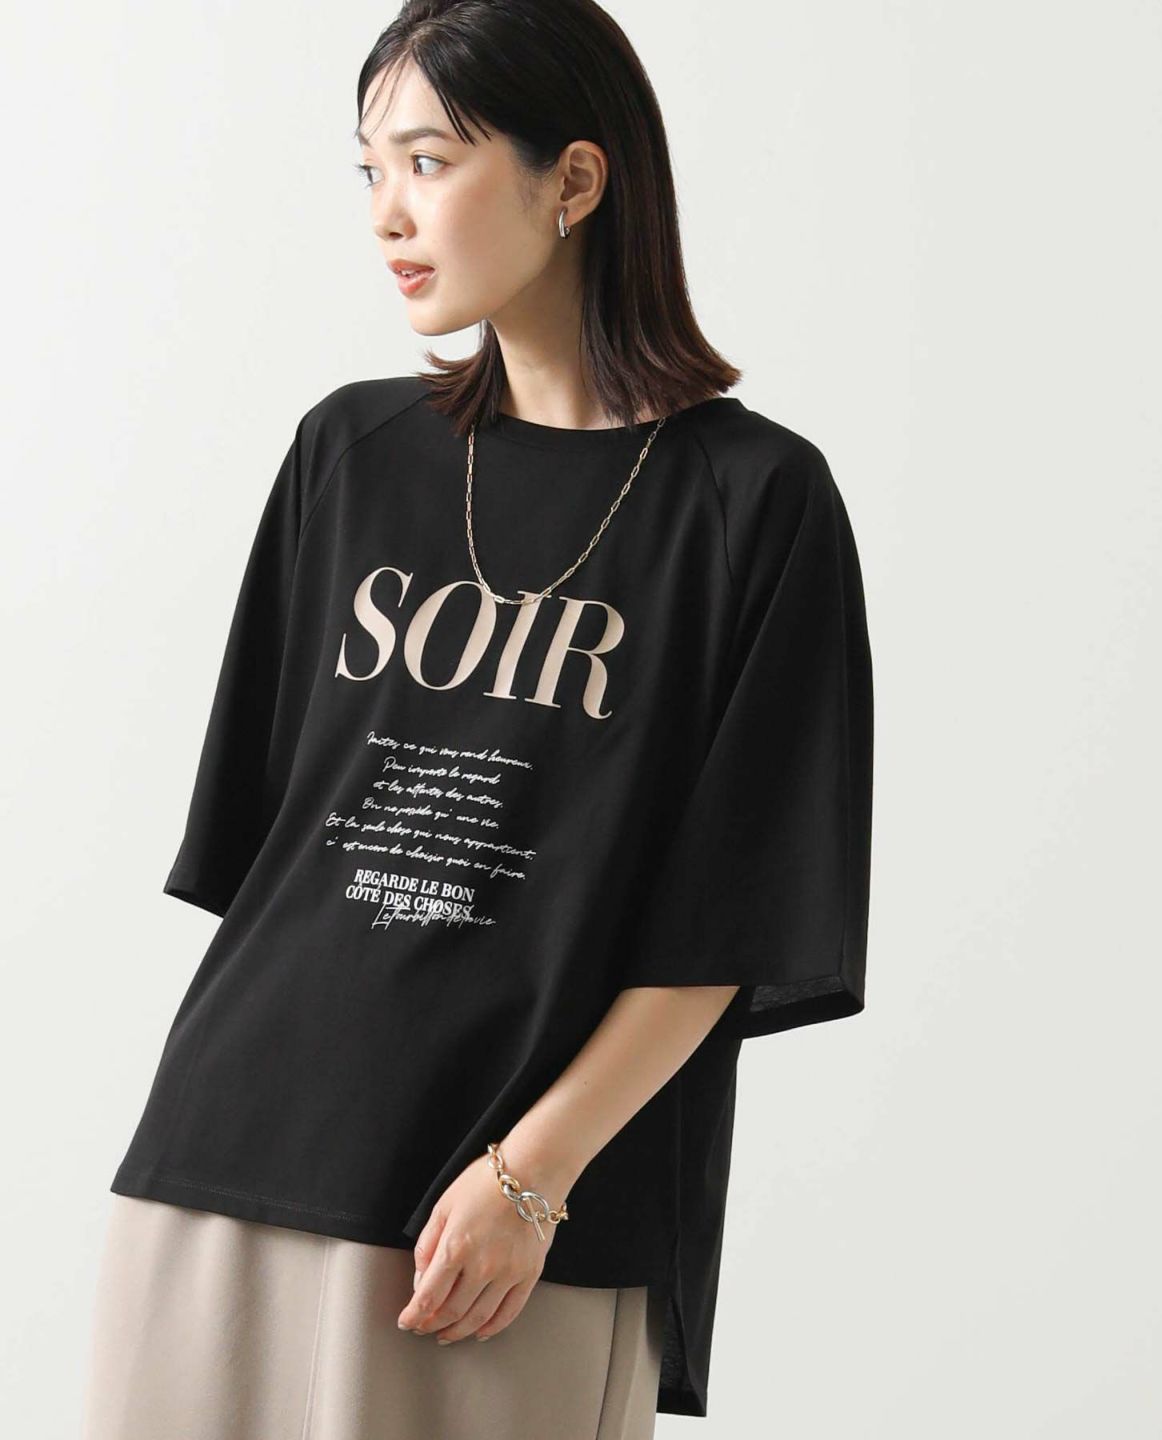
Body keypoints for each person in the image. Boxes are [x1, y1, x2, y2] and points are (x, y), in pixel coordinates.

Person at [80, 1, 874, 1436]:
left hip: (501, 1225)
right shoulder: (350, 451)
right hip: (227, 1158)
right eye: (369, 168)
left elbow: (735, 916)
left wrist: (533, 1175)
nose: (388, 211)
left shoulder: (754, 504)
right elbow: (278, 857)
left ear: (575, 179)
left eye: (430, 161)